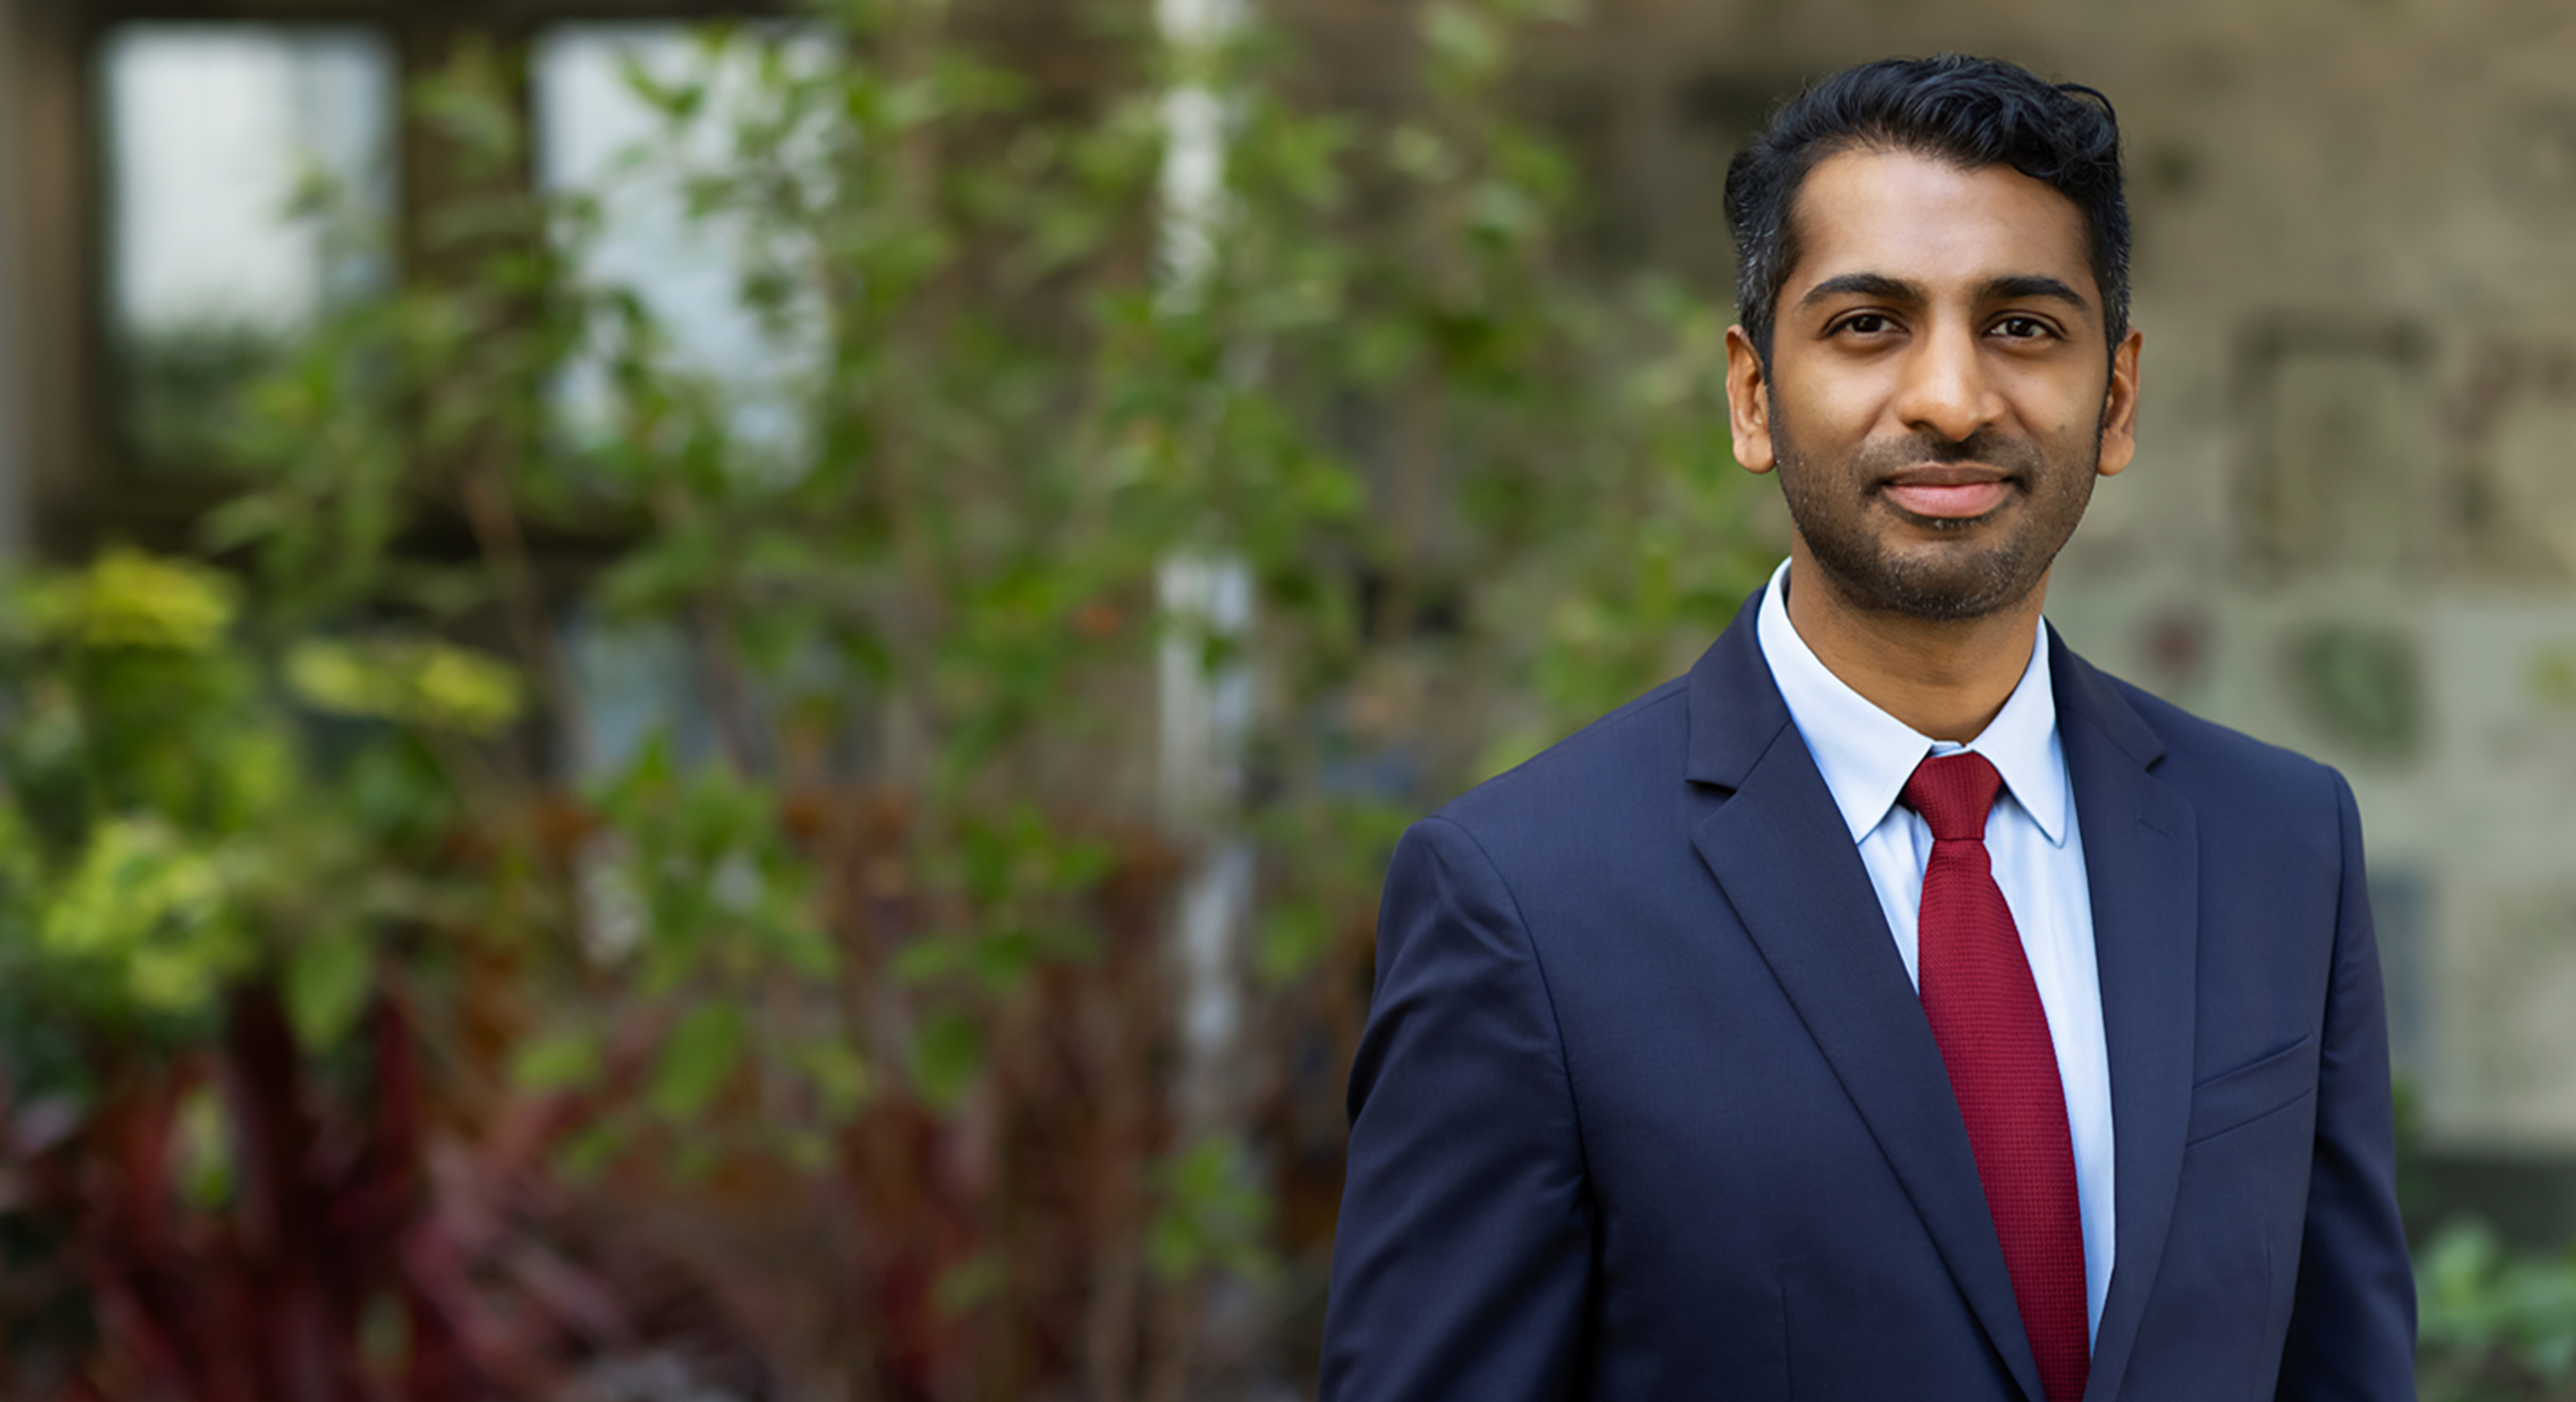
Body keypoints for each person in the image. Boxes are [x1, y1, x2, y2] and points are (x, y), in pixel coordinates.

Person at [1318, 55, 2416, 1401]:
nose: (1952, 398)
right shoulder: (1523, 899)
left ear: (2117, 398)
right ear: (1752, 397)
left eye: (2023, 325)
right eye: (1867, 324)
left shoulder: (2282, 846)